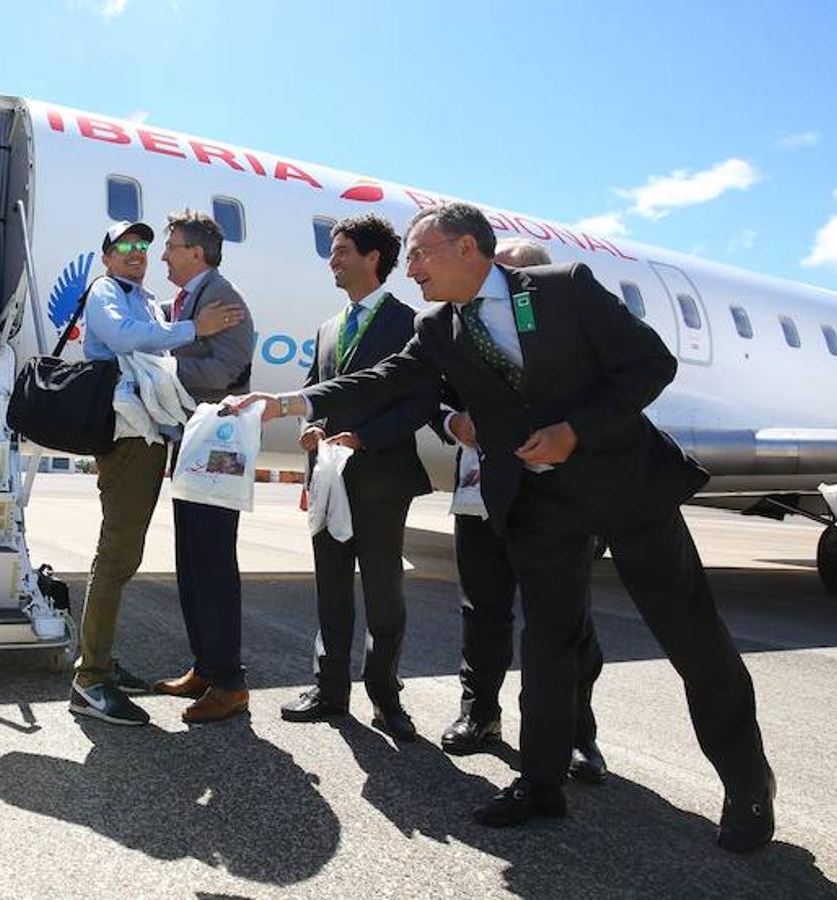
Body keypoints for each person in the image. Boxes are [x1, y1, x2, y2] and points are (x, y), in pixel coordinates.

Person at [224, 203, 774, 853]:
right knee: (546, 644)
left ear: (465, 248)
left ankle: (745, 785)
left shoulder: (560, 290)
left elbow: (648, 365)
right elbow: (383, 380)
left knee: (690, 637)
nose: (410, 268)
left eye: (421, 254)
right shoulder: (437, 329)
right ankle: (540, 784)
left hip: (624, 485)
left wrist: (575, 431)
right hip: (536, 504)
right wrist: (288, 403)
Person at [436, 237, 607, 784]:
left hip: (552, 500)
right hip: (478, 494)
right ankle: (480, 713)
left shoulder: (566, 338)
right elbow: (433, 395)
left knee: (564, 623)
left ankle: (578, 736)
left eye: (504, 273)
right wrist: (452, 423)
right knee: (482, 613)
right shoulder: (463, 330)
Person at [69, 220, 245, 727]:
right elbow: (125, 339)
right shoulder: (106, 291)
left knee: (124, 555)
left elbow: (157, 349)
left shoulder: (144, 300)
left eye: (143, 247)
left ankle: (100, 662)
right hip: (126, 437)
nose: (137, 253)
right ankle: (91, 678)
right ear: (105, 256)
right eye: (123, 246)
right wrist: (196, 328)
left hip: (149, 438)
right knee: (117, 554)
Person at [278, 214, 434, 738]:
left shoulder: (409, 324)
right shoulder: (328, 328)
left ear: (373, 258)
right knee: (331, 588)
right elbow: (314, 390)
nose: (333, 259)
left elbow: (419, 402)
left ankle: (386, 697)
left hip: (382, 477)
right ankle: (329, 690)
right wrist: (313, 429)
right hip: (329, 479)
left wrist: (364, 438)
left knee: (384, 594)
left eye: (343, 250)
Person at [151, 209, 256, 724]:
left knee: (212, 562)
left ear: (197, 252)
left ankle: (231, 683)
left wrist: (161, 366)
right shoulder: (190, 299)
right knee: (191, 562)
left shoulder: (222, 298)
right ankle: (206, 666)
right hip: (193, 443)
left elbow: (225, 369)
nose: (163, 254)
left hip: (216, 446)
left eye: (171, 245)